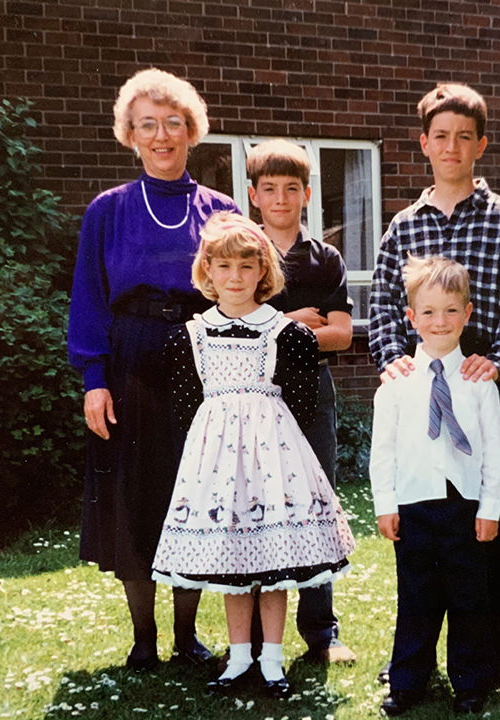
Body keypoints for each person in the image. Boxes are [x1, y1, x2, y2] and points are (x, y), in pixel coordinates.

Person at [68, 68, 240, 673]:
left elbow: (240, 291)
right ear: (131, 136)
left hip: (202, 354)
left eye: (173, 123)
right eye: (148, 126)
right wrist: (94, 380)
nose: (162, 136)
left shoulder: (220, 210)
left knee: (192, 493)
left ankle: (188, 636)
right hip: (130, 357)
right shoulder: (107, 210)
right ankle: (144, 638)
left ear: (192, 131)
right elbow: (88, 297)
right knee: (135, 497)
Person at [369, 83, 500, 688]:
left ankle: (498, 647)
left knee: (490, 518)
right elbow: (385, 302)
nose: (452, 146)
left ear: (481, 145)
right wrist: (391, 358)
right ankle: (414, 658)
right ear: (424, 144)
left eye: (464, 136)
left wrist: (497, 359)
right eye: (441, 136)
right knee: (422, 526)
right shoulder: (403, 225)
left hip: (477, 381)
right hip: (418, 389)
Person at [151, 212, 356, 699]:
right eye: (224, 267)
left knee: (274, 558)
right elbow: (186, 405)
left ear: (263, 273)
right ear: (208, 272)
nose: (235, 277)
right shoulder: (191, 336)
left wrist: (271, 439)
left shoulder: (287, 334)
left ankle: (272, 659)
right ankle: (238, 655)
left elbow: (302, 403)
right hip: (217, 462)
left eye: (247, 267)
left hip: (272, 458)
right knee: (233, 563)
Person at [370, 255, 500, 715]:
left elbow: (494, 452)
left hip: (463, 507)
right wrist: (385, 504)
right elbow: (383, 451)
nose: (440, 321)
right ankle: (408, 679)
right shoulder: (395, 383)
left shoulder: (479, 381)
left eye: (451, 310)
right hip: (413, 506)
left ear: (468, 313)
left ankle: (470, 680)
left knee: (469, 596)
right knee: (416, 596)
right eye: (428, 312)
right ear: (411, 318)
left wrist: (490, 508)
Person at [245, 139, 357, 664]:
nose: (281, 198)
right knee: (251, 507)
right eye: (270, 189)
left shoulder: (325, 258)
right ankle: (248, 640)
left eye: (292, 188)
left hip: (312, 393)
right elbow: (233, 329)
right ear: (253, 195)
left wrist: (291, 331)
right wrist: (292, 323)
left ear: (307, 194)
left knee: (316, 504)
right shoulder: (241, 253)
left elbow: (342, 334)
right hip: (251, 398)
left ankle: (322, 632)